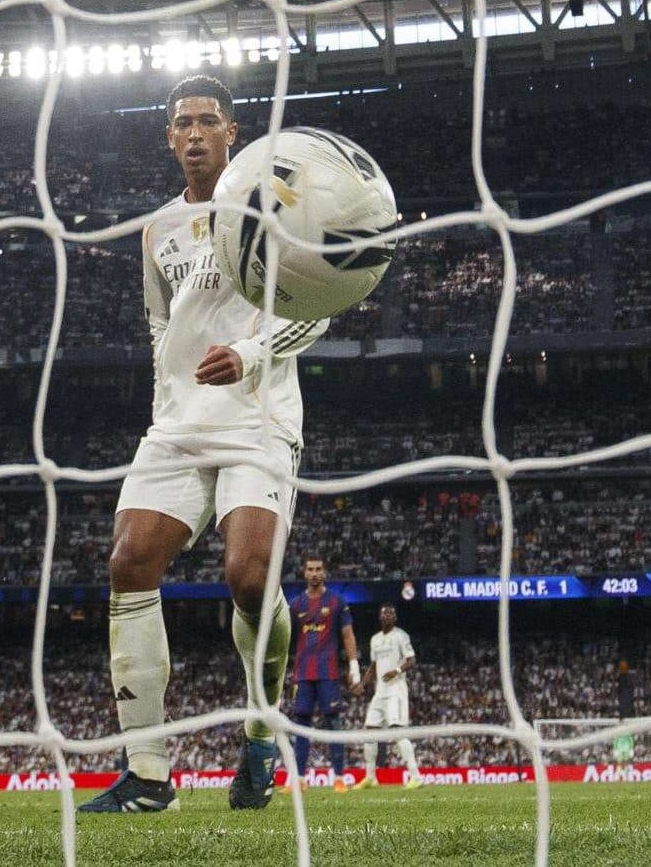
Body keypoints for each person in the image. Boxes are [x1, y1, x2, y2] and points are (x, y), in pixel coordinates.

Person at [78, 77, 328, 816]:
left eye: (207, 122)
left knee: (249, 578)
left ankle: (258, 732)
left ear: (232, 132)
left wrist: (251, 355)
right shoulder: (156, 230)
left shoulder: (271, 208)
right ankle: (148, 775)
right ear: (168, 137)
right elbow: (162, 327)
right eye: (182, 122)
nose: (194, 133)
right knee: (129, 563)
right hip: (179, 425)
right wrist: (167, 404)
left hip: (258, 416)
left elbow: (315, 310)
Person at [288, 556, 360, 789]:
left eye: (319, 569)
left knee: (334, 723)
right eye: (310, 569)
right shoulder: (296, 604)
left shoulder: (337, 602)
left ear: (325, 572)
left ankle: (339, 778)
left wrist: (354, 666)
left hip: (328, 672)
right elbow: (286, 637)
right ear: (304, 573)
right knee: (301, 724)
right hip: (303, 673)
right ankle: (299, 779)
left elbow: (348, 635)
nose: (315, 573)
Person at [358, 603, 420, 789]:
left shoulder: (401, 636)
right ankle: (371, 777)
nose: (387, 616)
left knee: (397, 731)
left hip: (396, 690)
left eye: (391, 614)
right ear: (379, 617)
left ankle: (415, 776)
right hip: (380, 692)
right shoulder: (375, 639)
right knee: (370, 730)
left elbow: (411, 659)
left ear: (395, 618)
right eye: (384, 613)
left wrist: (397, 670)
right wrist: (363, 683)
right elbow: (373, 665)